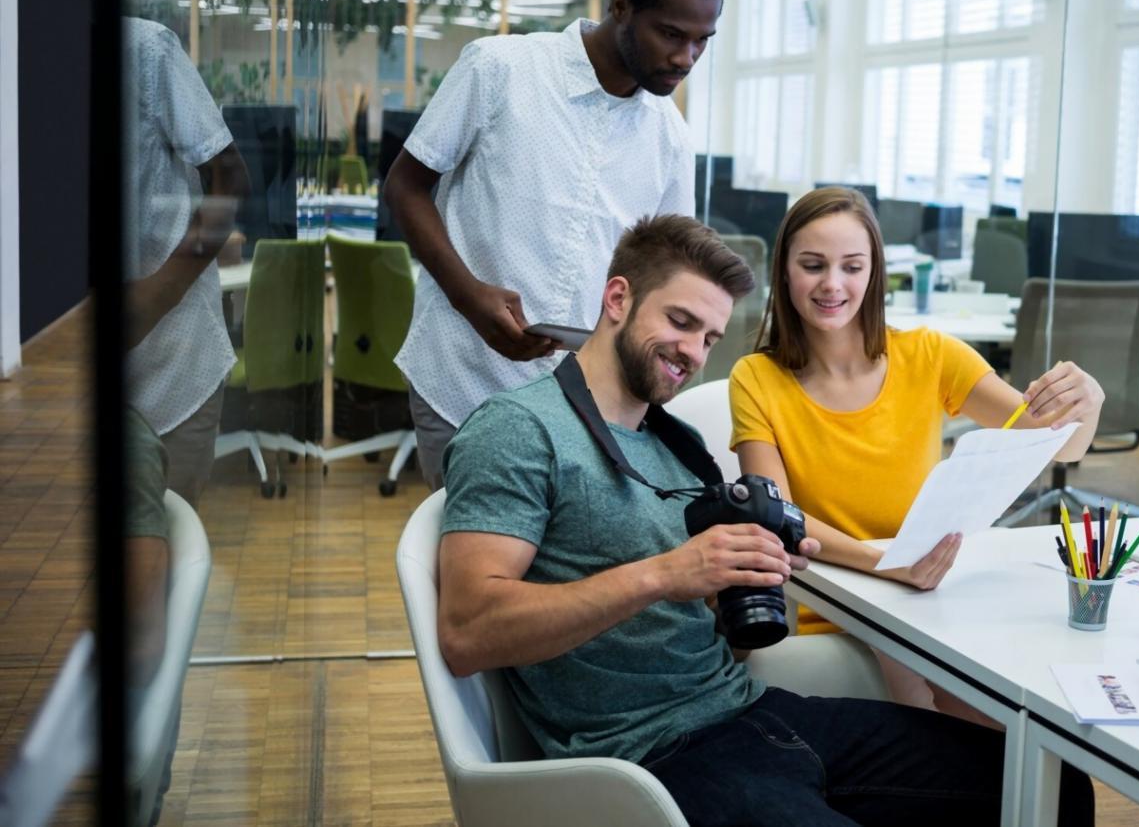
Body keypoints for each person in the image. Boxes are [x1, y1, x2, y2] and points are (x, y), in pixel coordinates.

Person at [436, 215, 1092, 827]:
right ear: (616, 299)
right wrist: (666, 574)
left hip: (754, 712)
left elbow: (735, 645)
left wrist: (749, 582)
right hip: (650, 759)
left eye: (709, 337)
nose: (692, 352)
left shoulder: (680, 445)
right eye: (680, 321)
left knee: (1047, 785)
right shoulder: (520, 431)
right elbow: (467, 632)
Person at [729, 188, 1105, 719]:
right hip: (848, 597)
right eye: (812, 265)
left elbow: (1058, 445)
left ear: (874, 271)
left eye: (851, 266)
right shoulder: (757, 378)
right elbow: (779, 519)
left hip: (936, 592)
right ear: (785, 272)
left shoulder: (930, 354)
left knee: (1024, 715)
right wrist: (890, 566)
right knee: (957, 721)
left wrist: (1089, 402)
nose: (832, 284)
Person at [385, 0, 723, 490]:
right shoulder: (499, 69)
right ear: (621, 8)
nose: (685, 58)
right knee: (473, 571)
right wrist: (470, 297)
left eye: (701, 41)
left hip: (582, 406)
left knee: (560, 575)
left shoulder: (670, 139)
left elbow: (668, 276)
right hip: (465, 373)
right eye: (671, 34)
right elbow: (406, 187)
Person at [124, 17, 251, 504]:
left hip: (172, 362)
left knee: (163, 557)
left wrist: (161, 289)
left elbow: (230, 177)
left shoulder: (146, 49)